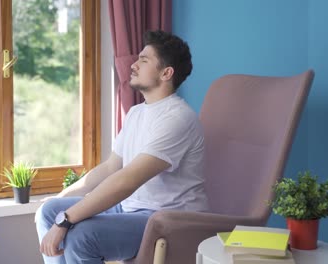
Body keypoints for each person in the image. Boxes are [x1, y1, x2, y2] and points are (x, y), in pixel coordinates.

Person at [35, 30, 208, 264]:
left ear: (167, 73)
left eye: (144, 60)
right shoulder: (137, 113)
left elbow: (128, 180)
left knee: (82, 237)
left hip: (166, 219)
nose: (134, 65)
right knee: (48, 211)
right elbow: (110, 168)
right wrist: (61, 198)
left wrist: (66, 219)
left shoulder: (178, 118)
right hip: (130, 208)